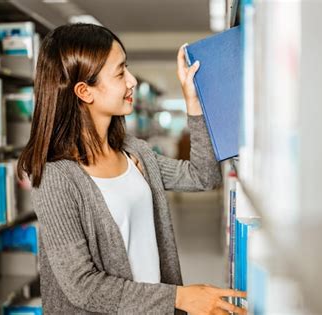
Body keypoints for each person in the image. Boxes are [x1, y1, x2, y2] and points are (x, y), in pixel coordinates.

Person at [17, 23, 246, 314]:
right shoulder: (57, 178)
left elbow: (203, 176)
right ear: (85, 91)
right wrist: (179, 298)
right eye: (120, 71)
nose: (133, 80)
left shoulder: (132, 150)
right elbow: (82, 286)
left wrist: (194, 104)